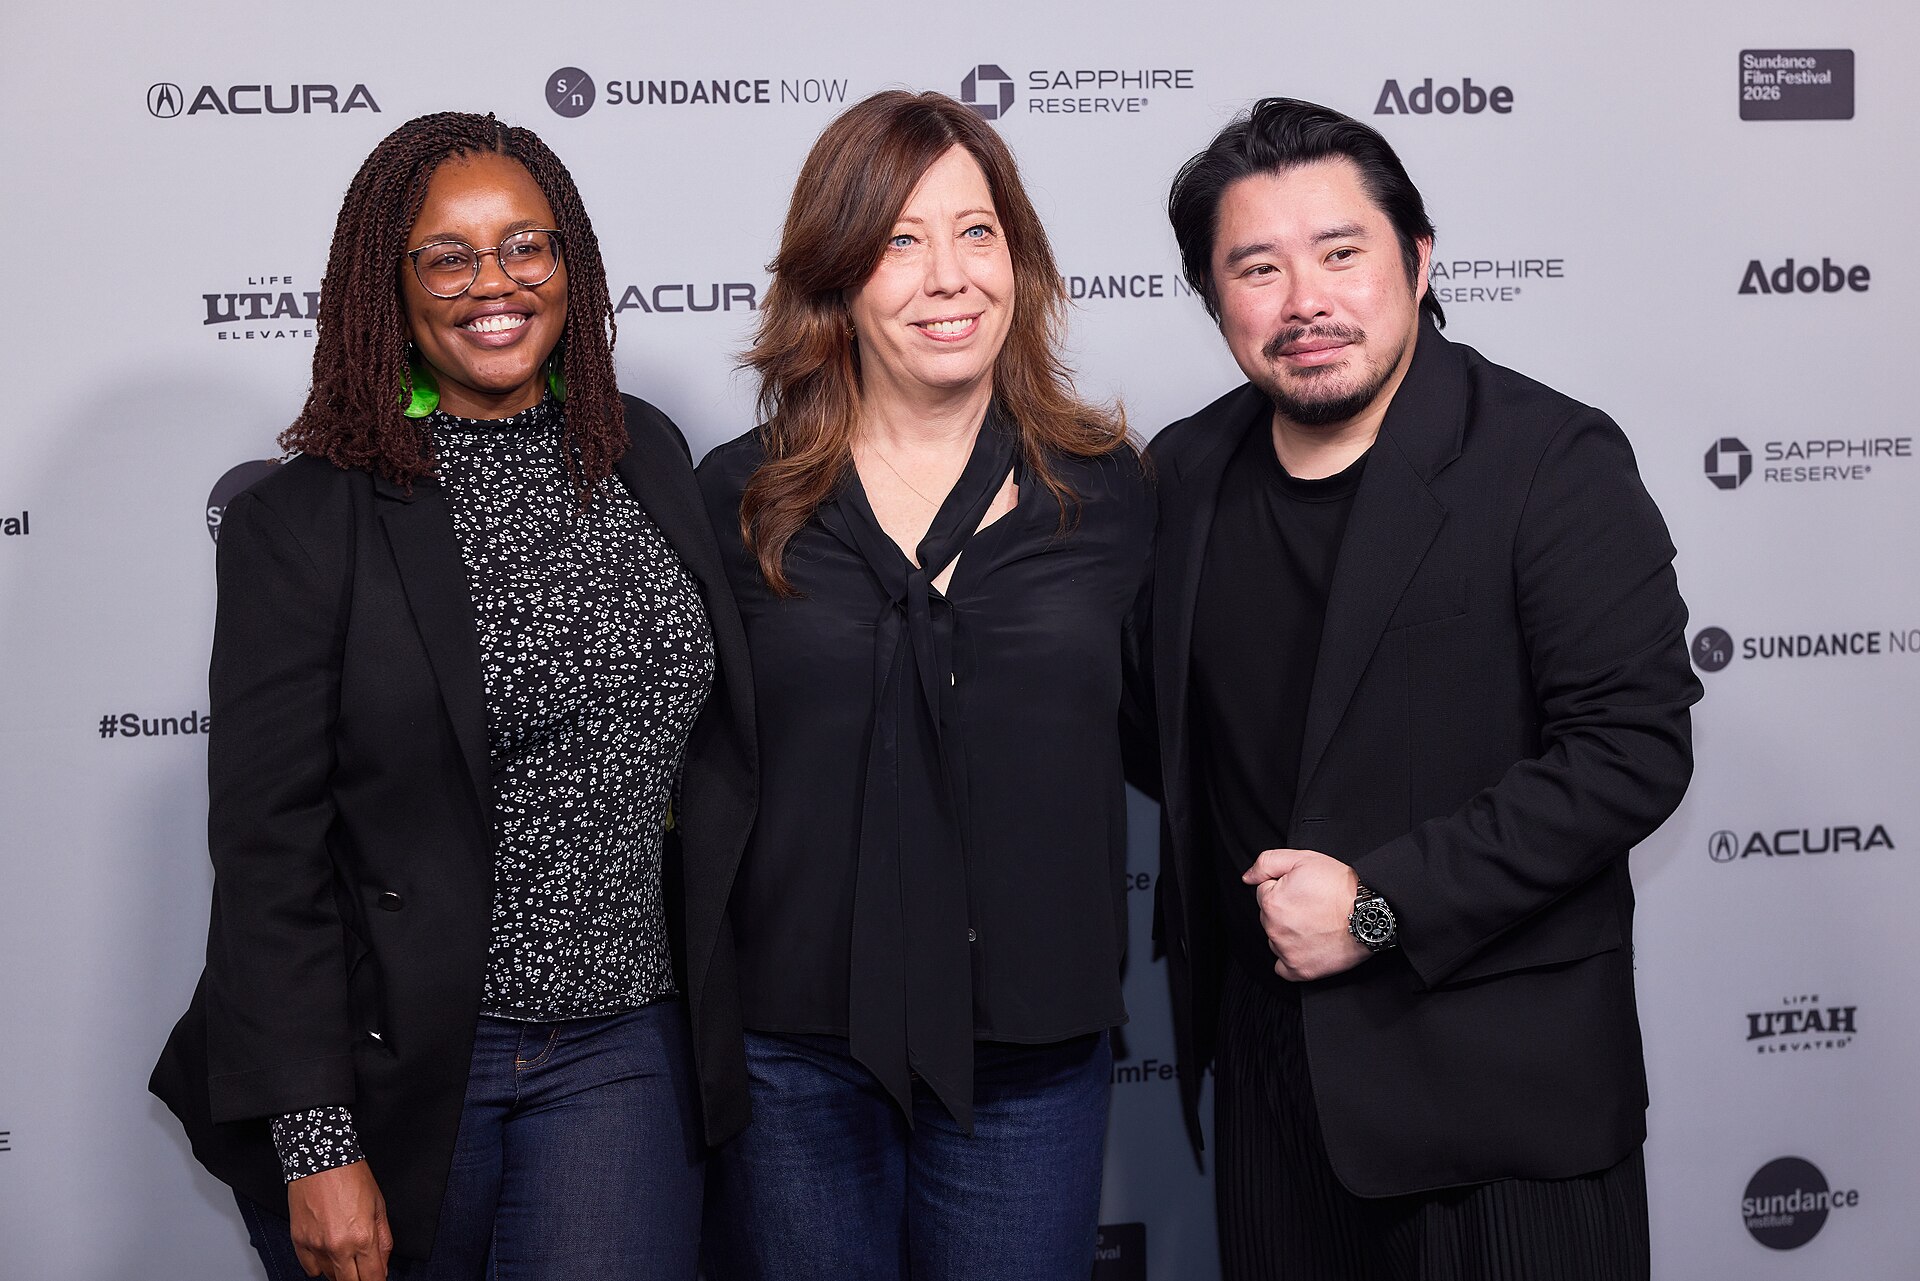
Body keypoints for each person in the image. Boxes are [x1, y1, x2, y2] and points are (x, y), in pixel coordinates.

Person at [150, 112, 756, 1281]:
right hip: (405, 1063)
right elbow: (270, 850)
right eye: (450, 255)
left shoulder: (646, 455)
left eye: (528, 246)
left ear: (569, 264)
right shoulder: (308, 521)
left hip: (625, 1043)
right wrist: (316, 1142)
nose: (498, 283)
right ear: (391, 285)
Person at [1132, 97, 1700, 1280]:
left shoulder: (1549, 460)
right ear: (1213, 298)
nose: (1306, 303)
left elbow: (1631, 751)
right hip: (1275, 1106)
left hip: (1500, 1112)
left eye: (1341, 253)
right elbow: (1165, 737)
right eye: (1258, 268)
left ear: (1419, 259)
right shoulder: (1185, 471)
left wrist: (1379, 904)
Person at [696, 90, 1150, 1280]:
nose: (948, 276)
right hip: (794, 1051)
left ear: (1021, 261)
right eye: (899, 240)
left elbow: (1192, 732)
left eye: (977, 232)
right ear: (836, 280)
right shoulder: (734, 502)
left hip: (1031, 1054)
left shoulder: (1112, 495)